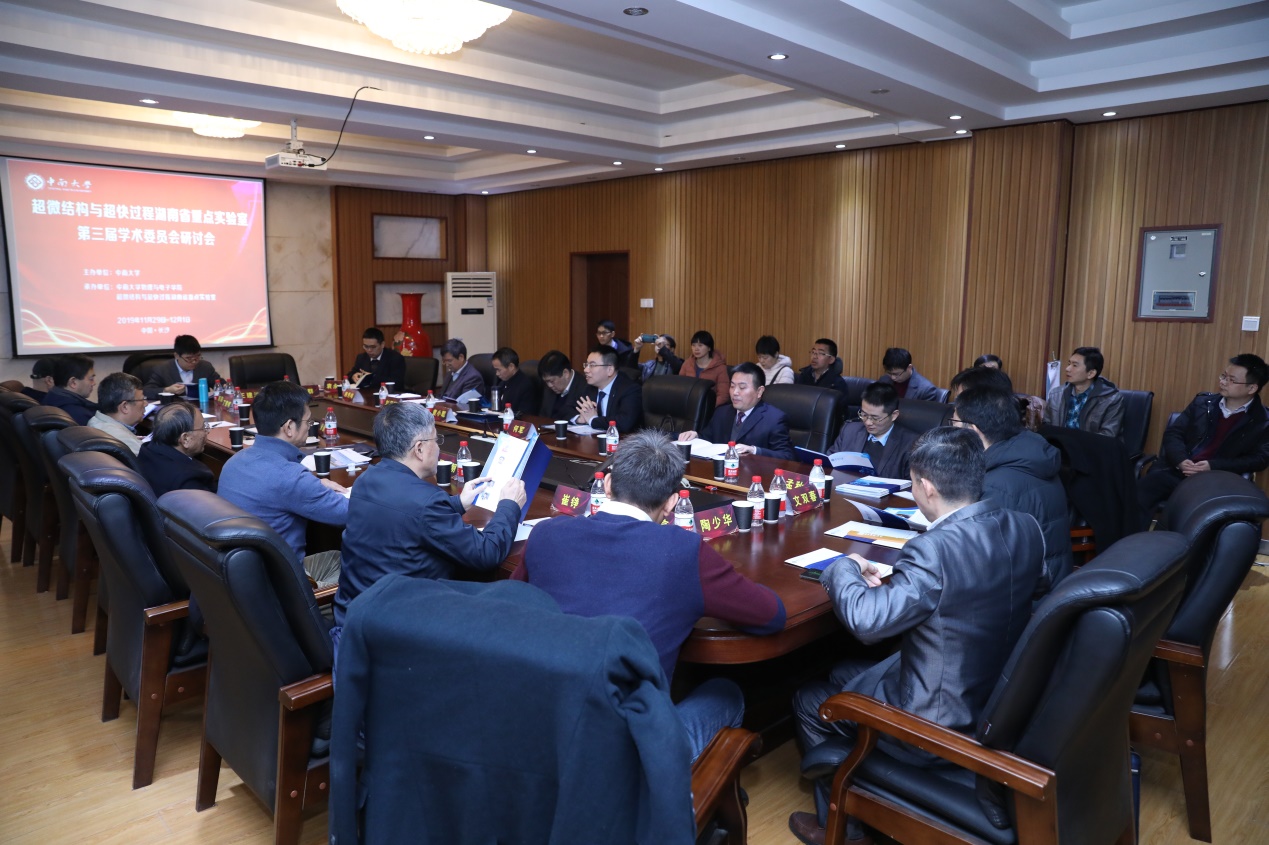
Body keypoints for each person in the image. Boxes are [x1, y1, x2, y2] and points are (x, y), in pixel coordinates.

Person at [788, 427, 1043, 845]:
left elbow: (867, 623)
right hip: (995, 695)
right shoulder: (1025, 527)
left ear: (926, 487)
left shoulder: (934, 549)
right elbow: (1032, 584)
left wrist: (844, 567)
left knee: (811, 699)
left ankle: (844, 827)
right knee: (842, 672)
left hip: (935, 723)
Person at [513, 430, 785, 760]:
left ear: (608, 485)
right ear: (672, 503)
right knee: (726, 693)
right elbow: (772, 615)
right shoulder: (683, 551)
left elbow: (509, 606)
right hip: (626, 754)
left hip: (538, 728)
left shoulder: (546, 533)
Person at [334, 403, 526, 635]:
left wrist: (457, 503)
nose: (438, 447)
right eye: (436, 440)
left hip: (353, 618)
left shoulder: (366, 479)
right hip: (396, 631)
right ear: (419, 449)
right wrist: (509, 505)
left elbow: (406, 516)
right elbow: (486, 553)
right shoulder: (426, 501)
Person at [217, 380, 346, 587]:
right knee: (365, 570)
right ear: (289, 427)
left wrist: (314, 485)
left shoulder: (234, 461)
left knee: (336, 558)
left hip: (242, 580)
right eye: (308, 422)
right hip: (283, 589)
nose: (310, 427)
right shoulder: (290, 477)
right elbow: (350, 513)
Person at [953, 386, 1072, 596]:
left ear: (972, 429)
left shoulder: (997, 485)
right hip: (1052, 584)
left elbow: (982, 563)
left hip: (1026, 600)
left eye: (953, 423)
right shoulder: (1028, 453)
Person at [1137, 354, 1269, 526]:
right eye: (1223, 376)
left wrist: (1212, 466)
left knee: (1184, 508)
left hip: (1215, 481)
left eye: (1231, 380)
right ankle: (1128, 540)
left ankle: (1165, 541)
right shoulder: (1202, 403)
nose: (1223, 382)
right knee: (1140, 492)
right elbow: (1174, 433)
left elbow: (1259, 459)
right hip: (1179, 470)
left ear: (1251, 388)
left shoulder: (1263, 421)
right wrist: (1181, 460)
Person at [678, 363, 794, 458]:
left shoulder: (774, 419)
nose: (735, 392)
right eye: (732, 386)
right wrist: (696, 436)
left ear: (759, 391)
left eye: (742, 387)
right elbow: (707, 441)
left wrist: (754, 450)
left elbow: (787, 456)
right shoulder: (721, 413)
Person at [825, 381, 917, 478]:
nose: (868, 422)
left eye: (875, 418)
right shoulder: (849, 431)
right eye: (864, 414)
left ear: (894, 415)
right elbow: (828, 464)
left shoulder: (911, 444)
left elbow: (913, 484)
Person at [137, 402, 217, 496]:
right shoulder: (187, 481)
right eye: (203, 427)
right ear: (185, 439)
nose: (207, 431)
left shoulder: (146, 450)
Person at [1044, 346, 1125, 437]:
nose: (1067, 369)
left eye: (1075, 365)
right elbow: (1046, 426)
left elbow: (1107, 436)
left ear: (1091, 373)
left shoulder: (1111, 399)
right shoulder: (1056, 394)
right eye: (1069, 363)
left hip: (1091, 445)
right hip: (1058, 444)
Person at [574, 347, 642, 434]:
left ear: (610, 370)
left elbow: (624, 423)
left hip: (623, 440)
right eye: (586, 365)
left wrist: (593, 420)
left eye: (592, 365)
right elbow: (568, 408)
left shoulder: (630, 389)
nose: (586, 370)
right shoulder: (589, 387)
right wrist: (579, 418)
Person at [143, 335, 223, 400]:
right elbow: (147, 391)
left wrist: (225, 386)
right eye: (189, 358)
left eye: (197, 356)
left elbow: (220, 384)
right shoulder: (162, 369)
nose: (194, 361)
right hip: (174, 409)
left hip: (201, 408)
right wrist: (167, 390)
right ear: (177, 356)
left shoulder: (205, 367)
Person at [86, 372, 145, 455]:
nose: (146, 404)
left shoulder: (95, 421)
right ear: (125, 407)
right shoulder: (125, 441)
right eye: (142, 400)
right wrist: (131, 441)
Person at [537, 350, 596, 419]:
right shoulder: (549, 386)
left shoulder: (585, 388)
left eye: (552, 381)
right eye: (546, 382)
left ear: (566, 373)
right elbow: (543, 415)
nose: (549, 385)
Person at [678, 330, 730, 407]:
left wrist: (707, 407)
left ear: (709, 348)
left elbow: (723, 395)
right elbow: (679, 387)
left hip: (710, 407)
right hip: (688, 405)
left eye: (700, 345)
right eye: (693, 345)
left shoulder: (720, 367)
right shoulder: (687, 364)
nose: (696, 349)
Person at [346, 327, 405, 392]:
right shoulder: (361, 358)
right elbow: (350, 374)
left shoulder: (395, 358)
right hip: (366, 395)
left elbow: (397, 383)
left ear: (382, 344)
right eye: (366, 346)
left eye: (373, 347)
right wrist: (353, 376)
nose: (369, 350)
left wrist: (372, 377)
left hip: (387, 395)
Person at [43, 354, 97, 424]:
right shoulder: (80, 416)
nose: (94, 383)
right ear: (73, 382)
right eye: (91, 379)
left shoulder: (50, 400)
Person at [489, 347, 537, 415]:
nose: (497, 374)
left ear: (511, 367)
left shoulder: (525, 386)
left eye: (499, 370)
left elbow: (524, 415)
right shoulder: (502, 382)